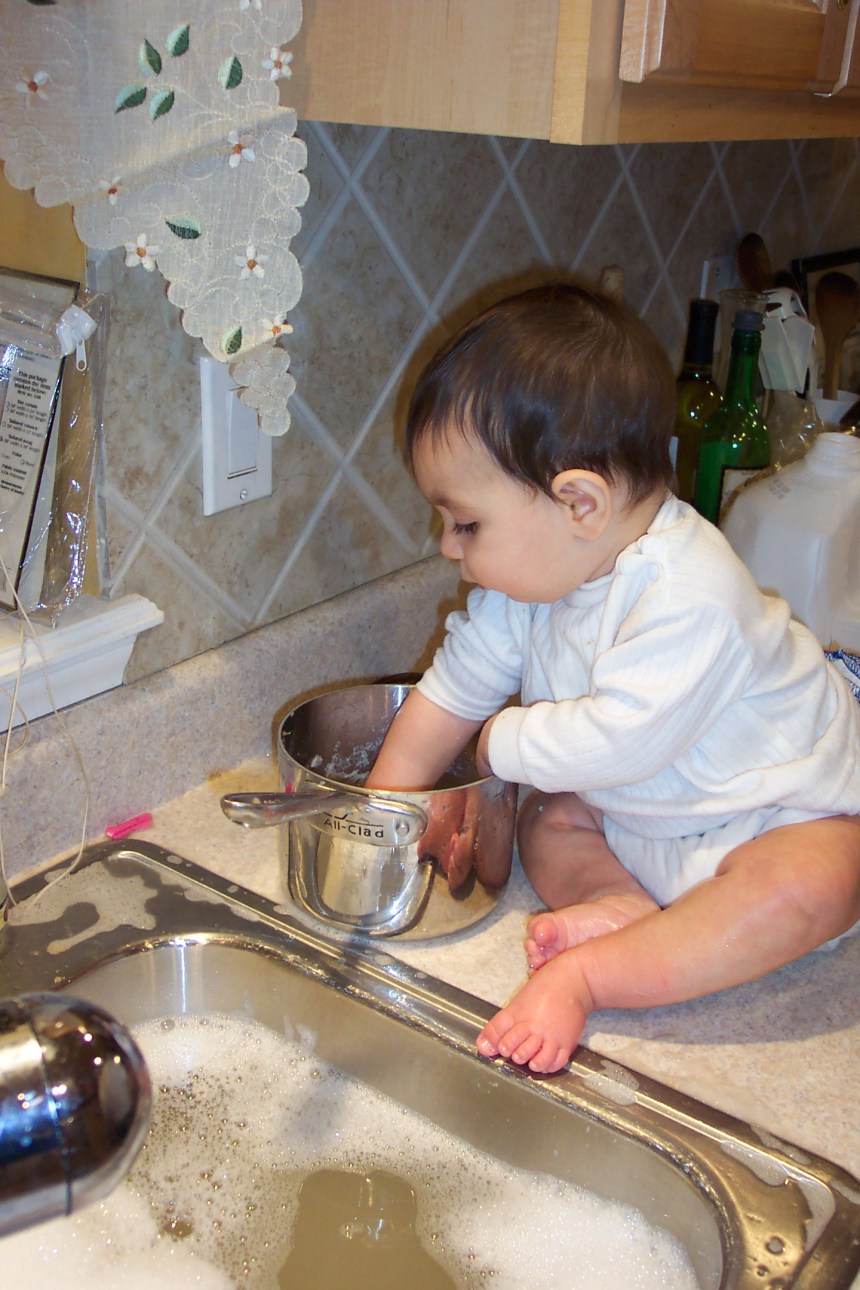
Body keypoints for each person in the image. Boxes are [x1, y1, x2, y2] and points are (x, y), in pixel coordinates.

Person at [365, 281, 860, 1075]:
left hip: (767, 814)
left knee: (823, 880)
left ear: (580, 505)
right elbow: (447, 694)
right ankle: (619, 906)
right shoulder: (527, 582)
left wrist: (499, 742)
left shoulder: (692, 592)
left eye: (466, 522)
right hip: (640, 819)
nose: (448, 546)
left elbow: (618, 745)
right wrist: (383, 819)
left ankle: (592, 976)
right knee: (547, 819)